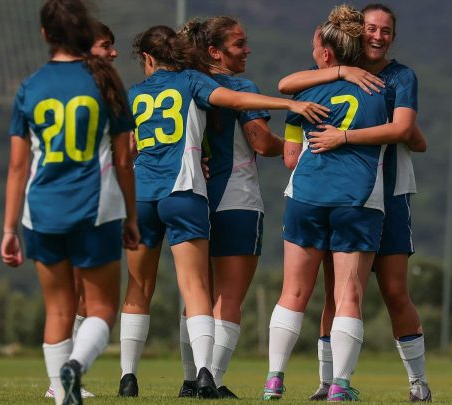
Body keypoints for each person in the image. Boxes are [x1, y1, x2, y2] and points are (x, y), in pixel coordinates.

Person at [116, 25, 328, 399]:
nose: (248, 49)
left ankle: (132, 376)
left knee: (142, 286)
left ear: (148, 58)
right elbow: (260, 141)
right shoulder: (205, 85)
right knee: (216, 295)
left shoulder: (136, 92)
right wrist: (294, 122)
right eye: (239, 43)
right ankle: (206, 376)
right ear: (212, 51)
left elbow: (129, 146)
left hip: (145, 194)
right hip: (215, 195)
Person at [277, 3, 431, 402]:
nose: (378, 36)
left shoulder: (401, 76)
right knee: (337, 292)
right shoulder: (337, 73)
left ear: (394, 37)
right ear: (358, 33)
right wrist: (343, 72)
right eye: (372, 29)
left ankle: (418, 382)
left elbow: (405, 129)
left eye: (386, 31)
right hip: (344, 194)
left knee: (395, 290)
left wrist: (351, 137)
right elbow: (289, 85)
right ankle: (330, 382)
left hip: (389, 193)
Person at [0, 1, 138, 404]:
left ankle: (62, 393)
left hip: (40, 210)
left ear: (45, 34)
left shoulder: (30, 86)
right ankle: (75, 366)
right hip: (96, 207)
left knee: (58, 309)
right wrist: (131, 215)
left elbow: (16, 167)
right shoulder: (106, 82)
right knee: (101, 310)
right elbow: (124, 159)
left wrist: (9, 230)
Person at [262, 5, 389, 401]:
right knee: (347, 296)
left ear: (328, 54)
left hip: (306, 195)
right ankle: (340, 386)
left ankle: (274, 380)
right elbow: (408, 132)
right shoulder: (381, 89)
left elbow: (290, 158)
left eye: (316, 46)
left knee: (293, 293)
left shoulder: (305, 91)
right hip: (359, 196)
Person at [43, 17, 122, 402]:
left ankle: (61, 383)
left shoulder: (43, 86)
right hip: (95, 203)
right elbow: (124, 156)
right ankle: (69, 371)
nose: (113, 53)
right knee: (96, 303)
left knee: (71, 299)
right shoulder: (105, 90)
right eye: (106, 45)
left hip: (48, 204)